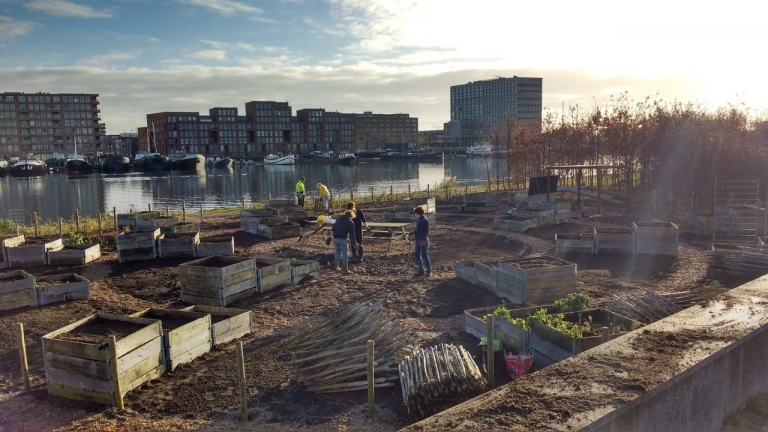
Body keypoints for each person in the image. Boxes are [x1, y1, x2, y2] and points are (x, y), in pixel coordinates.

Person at [331, 209, 357, 275]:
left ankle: (336, 267)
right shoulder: (350, 222)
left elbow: (333, 229)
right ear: (351, 216)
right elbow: (352, 235)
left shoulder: (338, 219)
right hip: (342, 239)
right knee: (345, 254)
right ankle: (345, 270)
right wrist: (353, 243)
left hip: (335, 238)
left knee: (337, 252)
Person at [413, 206, 432, 278]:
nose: (415, 214)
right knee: (417, 254)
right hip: (418, 239)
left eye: (415, 213)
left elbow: (426, 231)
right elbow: (419, 230)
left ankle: (429, 270)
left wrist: (421, 238)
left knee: (424, 255)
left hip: (423, 240)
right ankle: (421, 270)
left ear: (418, 213)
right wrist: (414, 232)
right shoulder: (419, 220)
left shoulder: (425, 220)